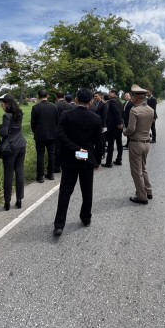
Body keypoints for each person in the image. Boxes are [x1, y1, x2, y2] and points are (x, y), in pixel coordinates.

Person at [53, 88, 102, 236]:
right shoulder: (95, 118)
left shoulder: (66, 115)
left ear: (76, 99)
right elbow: (99, 142)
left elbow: (60, 134)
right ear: (91, 101)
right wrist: (97, 160)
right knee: (87, 190)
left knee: (65, 191)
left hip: (70, 157)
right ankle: (86, 217)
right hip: (86, 158)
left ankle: (59, 224)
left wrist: (75, 148)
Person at [123, 85, 155, 204]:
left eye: (133, 96)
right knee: (143, 168)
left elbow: (131, 129)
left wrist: (124, 131)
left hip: (136, 143)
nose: (132, 98)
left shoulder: (134, 110)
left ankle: (141, 196)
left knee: (136, 171)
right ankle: (148, 191)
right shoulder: (150, 110)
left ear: (136, 97)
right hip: (146, 142)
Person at [0, 94, 27, 210]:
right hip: (21, 144)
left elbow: (3, 133)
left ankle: (7, 201)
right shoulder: (19, 113)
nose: (2, 106)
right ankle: (19, 199)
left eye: (3, 104)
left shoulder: (7, 116)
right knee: (19, 172)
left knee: (8, 174)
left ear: (7, 104)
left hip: (10, 147)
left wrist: (1, 126)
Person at [31, 89, 59, 182]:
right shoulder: (54, 106)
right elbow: (57, 121)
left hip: (40, 135)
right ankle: (50, 174)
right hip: (52, 134)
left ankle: (40, 176)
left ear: (38, 96)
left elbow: (33, 123)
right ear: (47, 96)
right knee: (51, 154)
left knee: (40, 155)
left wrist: (35, 131)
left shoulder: (35, 107)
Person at [103, 89, 123, 167]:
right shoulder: (119, 101)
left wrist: (119, 123)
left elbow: (116, 112)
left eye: (110, 92)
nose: (109, 94)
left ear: (114, 93)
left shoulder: (112, 101)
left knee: (110, 144)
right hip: (119, 125)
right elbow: (121, 113)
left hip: (114, 126)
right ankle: (119, 159)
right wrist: (121, 123)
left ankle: (109, 162)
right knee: (119, 143)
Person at [54, 92, 73, 172]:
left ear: (56, 97)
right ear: (64, 97)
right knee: (67, 147)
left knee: (57, 149)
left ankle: (57, 166)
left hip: (57, 129)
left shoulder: (55, 105)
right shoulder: (69, 106)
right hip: (68, 129)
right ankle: (66, 163)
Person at [91, 91, 108, 167]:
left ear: (101, 96)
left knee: (101, 140)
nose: (95, 97)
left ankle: (102, 153)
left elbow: (104, 116)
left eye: (96, 96)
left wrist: (103, 127)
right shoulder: (94, 104)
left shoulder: (103, 104)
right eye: (94, 96)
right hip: (94, 125)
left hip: (101, 125)